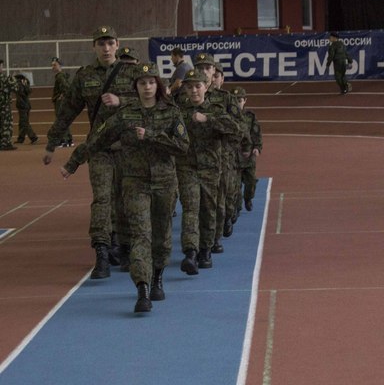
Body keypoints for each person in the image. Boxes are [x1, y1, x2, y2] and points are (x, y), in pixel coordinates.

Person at [87, 63, 189, 313]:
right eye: (142, 83)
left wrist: (152, 135)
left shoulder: (171, 112)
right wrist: (72, 162)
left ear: (158, 85)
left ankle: (157, 278)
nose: (147, 87)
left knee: (161, 235)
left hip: (164, 182)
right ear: (136, 87)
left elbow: (183, 146)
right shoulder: (126, 114)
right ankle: (142, 288)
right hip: (135, 183)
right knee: (140, 234)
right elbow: (98, 138)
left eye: (151, 82)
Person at [43, 25, 138, 279]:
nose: (106, 48)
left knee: (126, 198)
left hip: (129, 147)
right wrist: (52, 143)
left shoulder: (133, 72)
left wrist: (121, 101)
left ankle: (125, 247)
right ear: (93, 47)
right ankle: (102, 253)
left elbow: (153, 101)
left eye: (110, 43)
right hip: (100, 148)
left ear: (117, 44)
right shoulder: (84, 76)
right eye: (101, 44)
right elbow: (67, 110)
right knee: (102, 199)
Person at [176, 69, 240, 274]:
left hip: (210, 169)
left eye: (198, 86)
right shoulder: (178, 111)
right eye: (189, 87)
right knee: (190, 208)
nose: (194, 90)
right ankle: (190, 252)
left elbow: (236, 129)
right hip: (186, 167)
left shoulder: (216, 110)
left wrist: (208, 120)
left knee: (208, 209)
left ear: (206, 87)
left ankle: (205, 249)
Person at [234, 86, 262, 212]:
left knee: (251, 182)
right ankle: (236, 206)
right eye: (235, 100)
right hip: (234, 155)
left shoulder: (250, 116)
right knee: (235, 184)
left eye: (239, 100)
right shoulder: (227, 116)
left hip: (248, 155)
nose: (237, 103)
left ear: (245, 100)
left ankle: (248, 198)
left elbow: (256, 133)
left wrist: (257, 147)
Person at [51, 57, 74, 147]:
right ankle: (68, 139)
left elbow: (66, 87)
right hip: (62, 101)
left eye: (55, 65)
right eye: (52, 65)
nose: (53, 67)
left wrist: (62, 96)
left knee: (61, 120)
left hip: (60, 102)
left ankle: (64, 140)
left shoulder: (60, 76)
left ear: (60, 65)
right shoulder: (62, 76)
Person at [14, 73, 39, 145]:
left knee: (24, 123)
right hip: (26, 105)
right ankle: (20, 139)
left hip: (22, 105)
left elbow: (22, 92)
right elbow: (29, 91)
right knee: (22, 123)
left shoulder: (20, 84)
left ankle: (33, 137)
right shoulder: (25, 83)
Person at [0, 59, 18, 151]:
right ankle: (5, 143)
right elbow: (15, 88)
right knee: (6, 124)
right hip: (4, 106)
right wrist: (13, 79)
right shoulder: (4, 78)